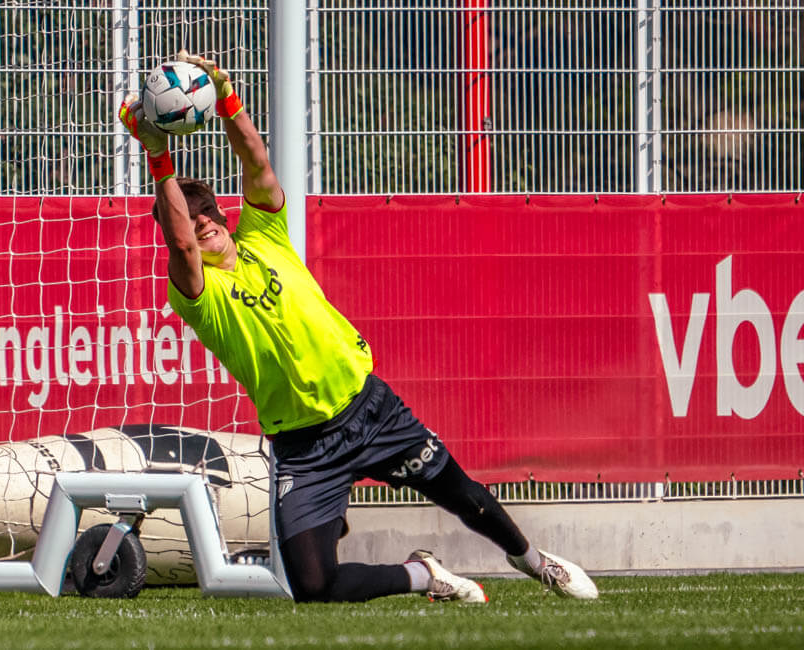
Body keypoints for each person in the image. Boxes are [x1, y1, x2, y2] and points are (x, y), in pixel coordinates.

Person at [118, 51, 598, 604]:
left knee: (463, 495)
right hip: (304, 448)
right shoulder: (198, 294)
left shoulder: (265, 237)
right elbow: (181, 243)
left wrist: (227, 97)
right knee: (313, 586)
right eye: (186, 213)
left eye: (205, 207)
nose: (200, 219)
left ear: (223, 212)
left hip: (369, 410)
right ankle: (422, 575)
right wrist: (159, 158)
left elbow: (257, 165)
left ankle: (538, 563)